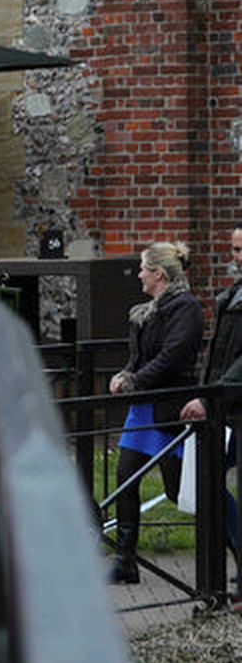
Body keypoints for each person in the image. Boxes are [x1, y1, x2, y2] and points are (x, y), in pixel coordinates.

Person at [108, 241, 204, 584]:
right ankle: (125, 559)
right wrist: (124, 374)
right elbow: (140, 358)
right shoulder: (145, 313)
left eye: (143, 268)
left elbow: (171, 358)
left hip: (167, 408)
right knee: (125, 479)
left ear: (159, 274)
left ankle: (227, 550)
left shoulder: (186, 309)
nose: (138, 274)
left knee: (181, 489)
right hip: (143, 410)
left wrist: (135, 381)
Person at [178, 221, 241, 600]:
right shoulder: (230, 296)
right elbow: (217, 357)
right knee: (209, 484)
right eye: (234, 250)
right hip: (224, 409)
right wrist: (204, 394)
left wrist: (209, 397)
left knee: (214, 484)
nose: (238, 257)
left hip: (231, 405)